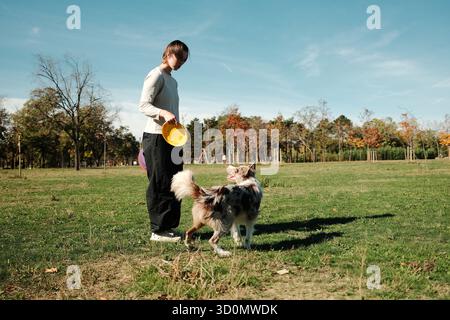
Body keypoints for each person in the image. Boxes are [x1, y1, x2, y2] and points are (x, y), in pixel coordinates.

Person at [138, 40, 189, 242]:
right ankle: (157, 231)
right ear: (168, 53)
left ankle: (169, 227)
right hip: (155, 137)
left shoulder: (173, 81)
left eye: (184, 60)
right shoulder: (155, 75)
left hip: (172, 138)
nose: (181, 63)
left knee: (175, 181)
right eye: (179, 57)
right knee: (159, 182)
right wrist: (163, 113)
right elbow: (143, 105)